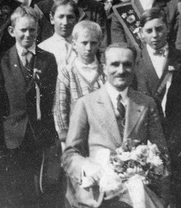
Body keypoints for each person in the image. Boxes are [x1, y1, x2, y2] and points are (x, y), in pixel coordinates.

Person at [61, 43, 169, 208]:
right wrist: (87, 167)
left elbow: (161, 152)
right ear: (104, 68)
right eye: (115, 64)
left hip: (138, 195)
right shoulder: (86, 104)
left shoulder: (146, 104)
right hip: (98, 195)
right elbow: (69, 155)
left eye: (127, 64)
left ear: (134, 68)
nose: (121, 70)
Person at [0, 7, 60, 207]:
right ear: (11, 31)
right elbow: (0, 100)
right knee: (16, 190)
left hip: (40, 133)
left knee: (41, 189)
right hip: (13, 135)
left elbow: (51, 98)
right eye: (23, 30)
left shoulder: (47, 59)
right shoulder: (2, 60)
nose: (28, 35)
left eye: (32, 30)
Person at [133, 7, 181, 172]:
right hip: (147, 136)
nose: (155, 35)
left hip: (177, 133)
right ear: (141, 33)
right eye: (149, 30)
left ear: (167, 29)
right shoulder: (134, 61)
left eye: (159, 29)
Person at [53, 20, 106, 143]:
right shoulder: (67, 72)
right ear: (74, 44)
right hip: (76, 137)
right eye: (84, 43)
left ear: (99, 44)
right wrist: (65, 138)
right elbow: (61, 108)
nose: (88, 48)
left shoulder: (105, 72)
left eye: (93, 43)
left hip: (103, 135)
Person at [39, 0, 78, 67]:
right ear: (52, 18)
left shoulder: (83, 45)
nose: (65, 22)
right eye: (61, 17)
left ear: (76, 19)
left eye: (70, 17)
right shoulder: (43, 48)